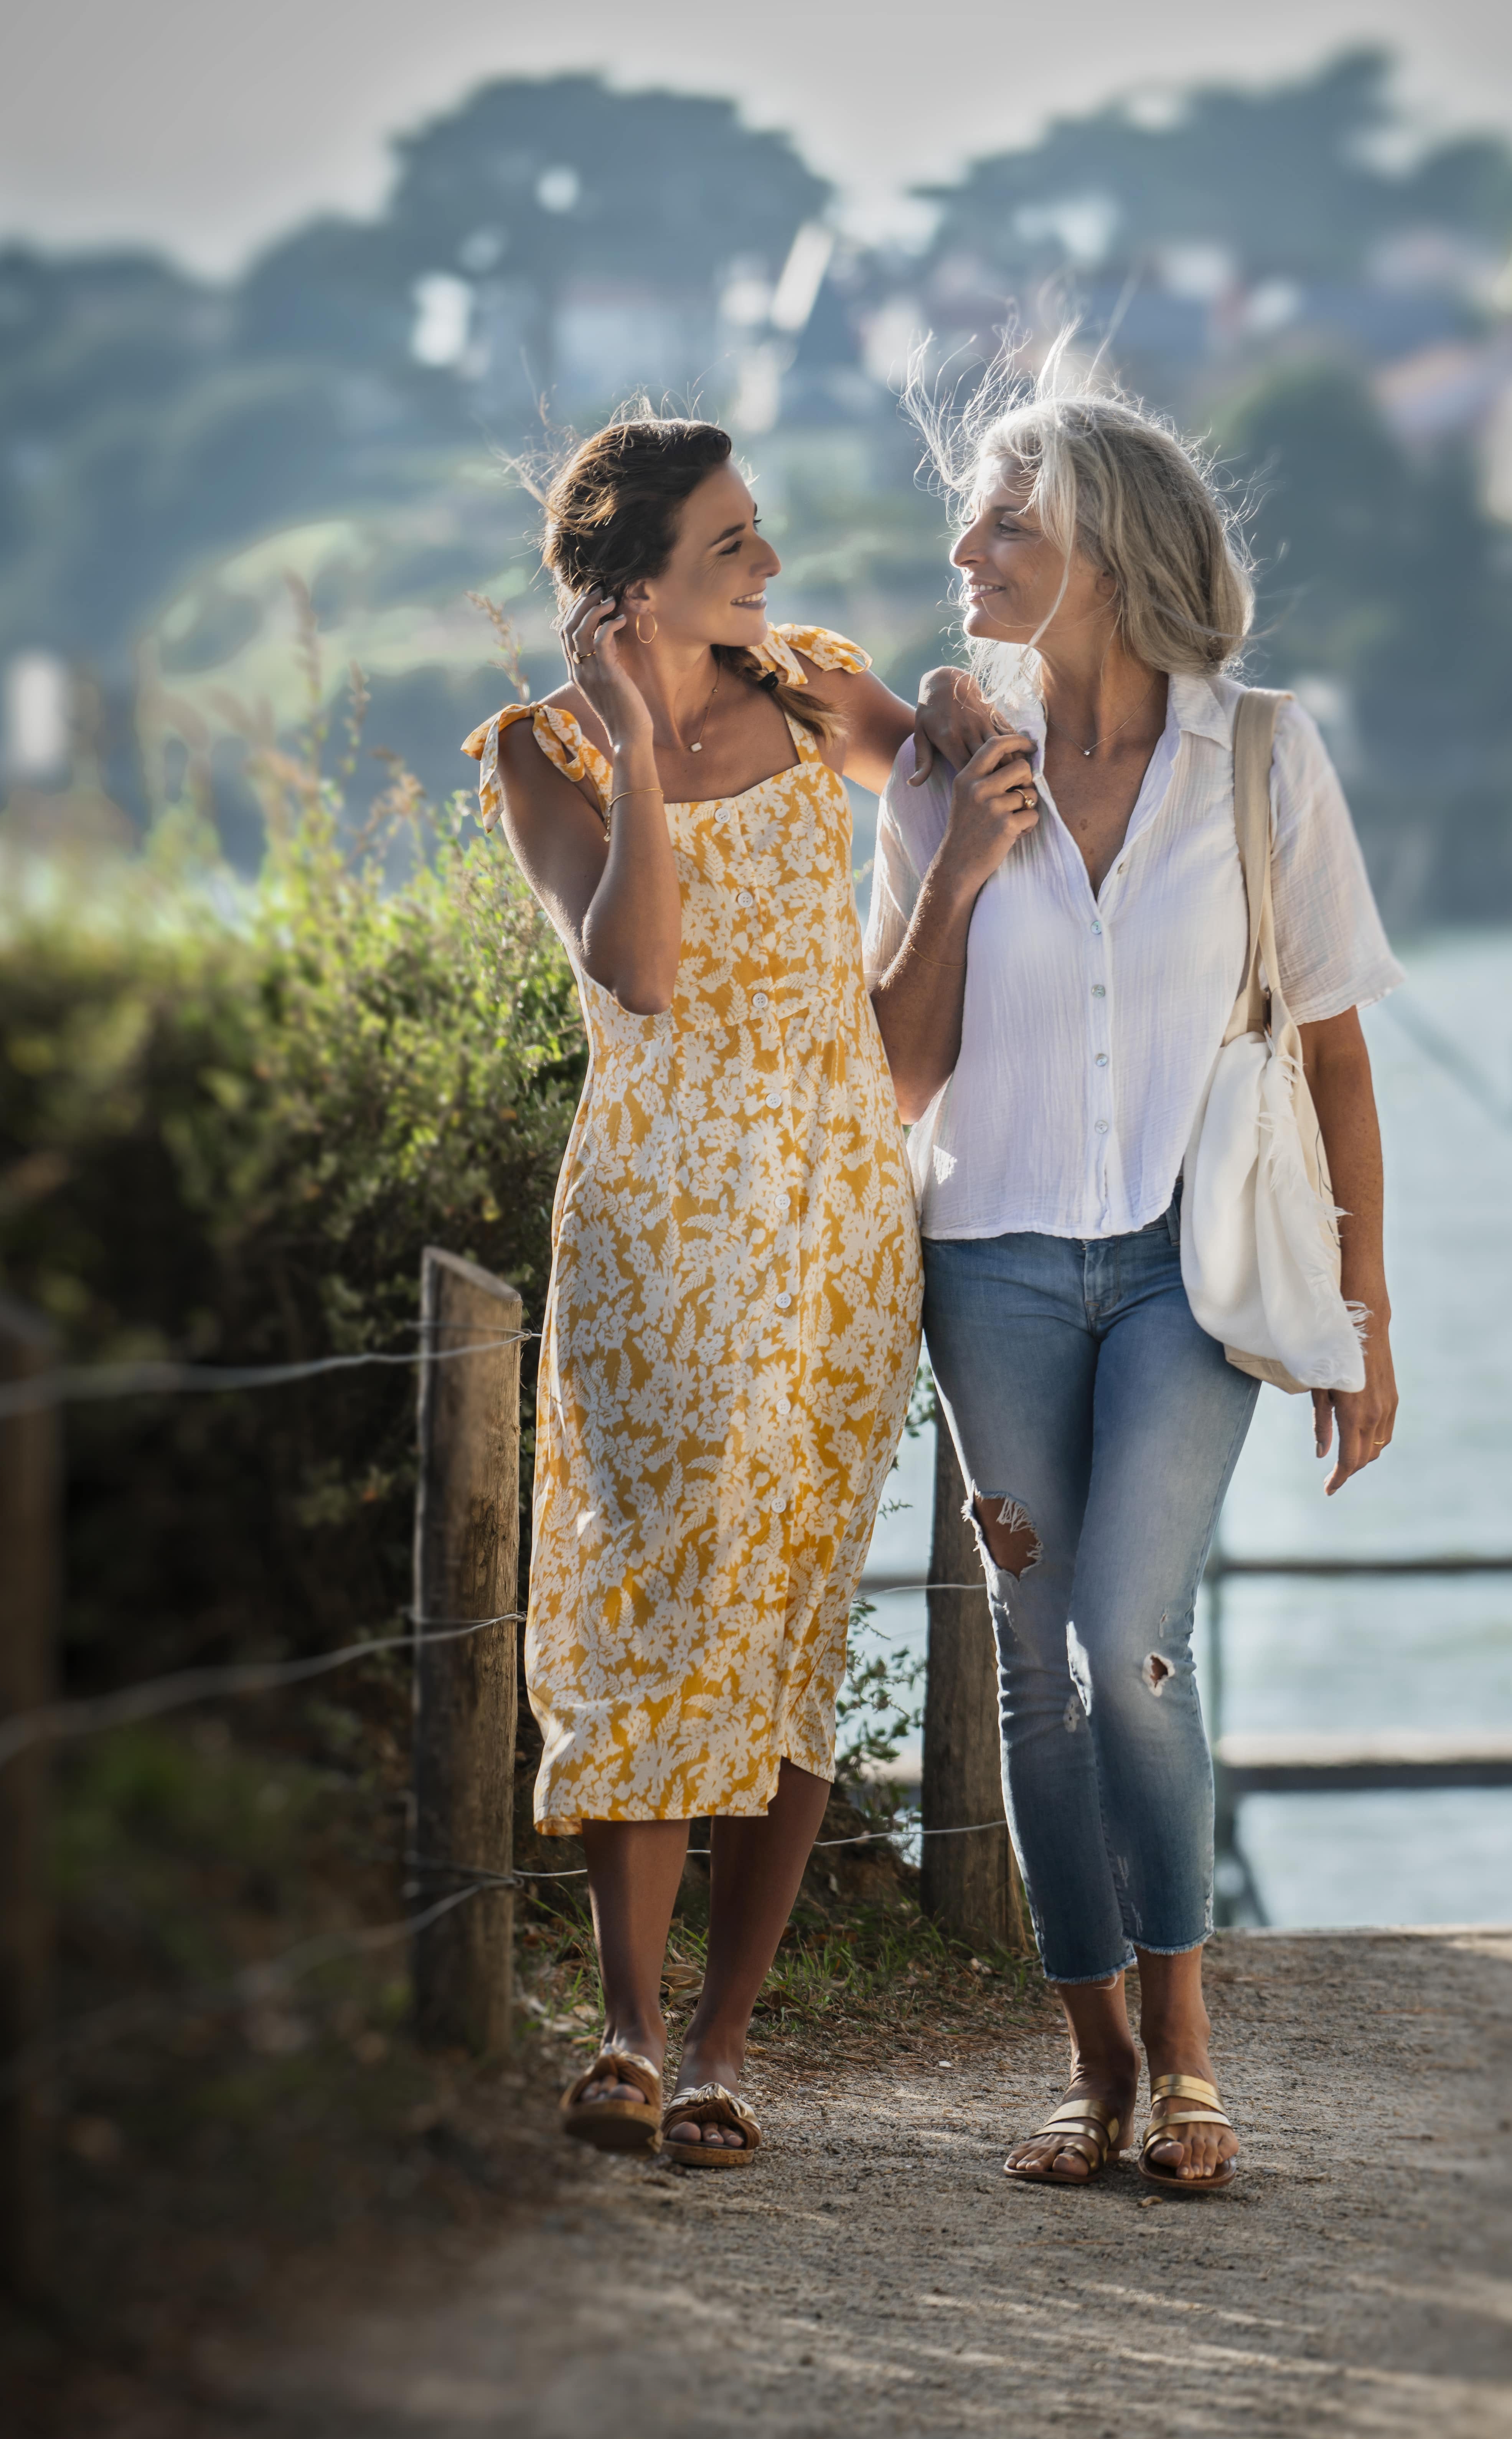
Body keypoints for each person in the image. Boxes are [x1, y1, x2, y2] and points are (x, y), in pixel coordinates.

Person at [866, 368, 1402, 2194]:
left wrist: (1367, 1320)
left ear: (1103, 548)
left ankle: (1187, 2056)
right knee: (1035, 1665)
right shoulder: (943, 761)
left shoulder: (1263, 758)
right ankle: (1092, 2065)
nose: (968, 549)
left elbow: (1333, 1058)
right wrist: (960, 863)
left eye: (1007, 521)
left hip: (1192, 1272)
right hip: (991, 1261)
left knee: (1129, 1641)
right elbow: (900, 1065)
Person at [467, 415, 969, 2168]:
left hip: (833, 1223)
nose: (766, 566)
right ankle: (622, 2018)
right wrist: (627, 744)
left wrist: (983, 827)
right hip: (651, 1226)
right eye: (731, 546)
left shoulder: (816, 687)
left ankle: (725, 2046)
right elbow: (643, 969)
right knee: (642, 1592)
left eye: (759, 536)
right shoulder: (546, 761)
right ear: (629, 592)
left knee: (786, 1616)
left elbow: (975, 793)